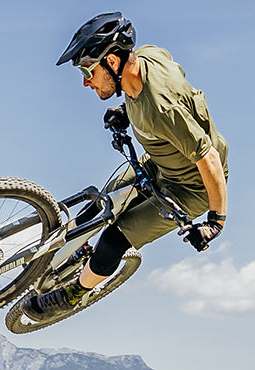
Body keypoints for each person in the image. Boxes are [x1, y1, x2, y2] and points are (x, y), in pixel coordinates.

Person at [22, 11, 230, 318]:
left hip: (191, 187)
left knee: (114, 238)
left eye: (87, 70)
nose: (84, 82)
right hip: (159, 162)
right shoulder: (148, 56)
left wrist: (216, 221)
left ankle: (73, 294)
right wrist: (126, 108)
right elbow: (171, 73)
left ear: (113, 62)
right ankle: (74, 252)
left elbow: (208, 158)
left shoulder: (162, 109)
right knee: (99, 205)